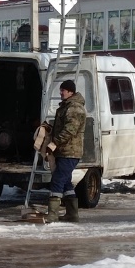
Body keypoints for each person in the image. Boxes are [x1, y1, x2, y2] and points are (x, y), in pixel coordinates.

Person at [44, 79, 86, 223]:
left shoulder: (74, 108)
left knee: (57, 180)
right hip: (64, 151)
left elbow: (70, 130)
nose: (61, 92)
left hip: (70, 152)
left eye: (63, 90)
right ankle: (72, 214)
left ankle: (52, 214)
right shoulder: (66, 106)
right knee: (67, 183)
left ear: (71, 92)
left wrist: (54, 142)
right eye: (61, 90)